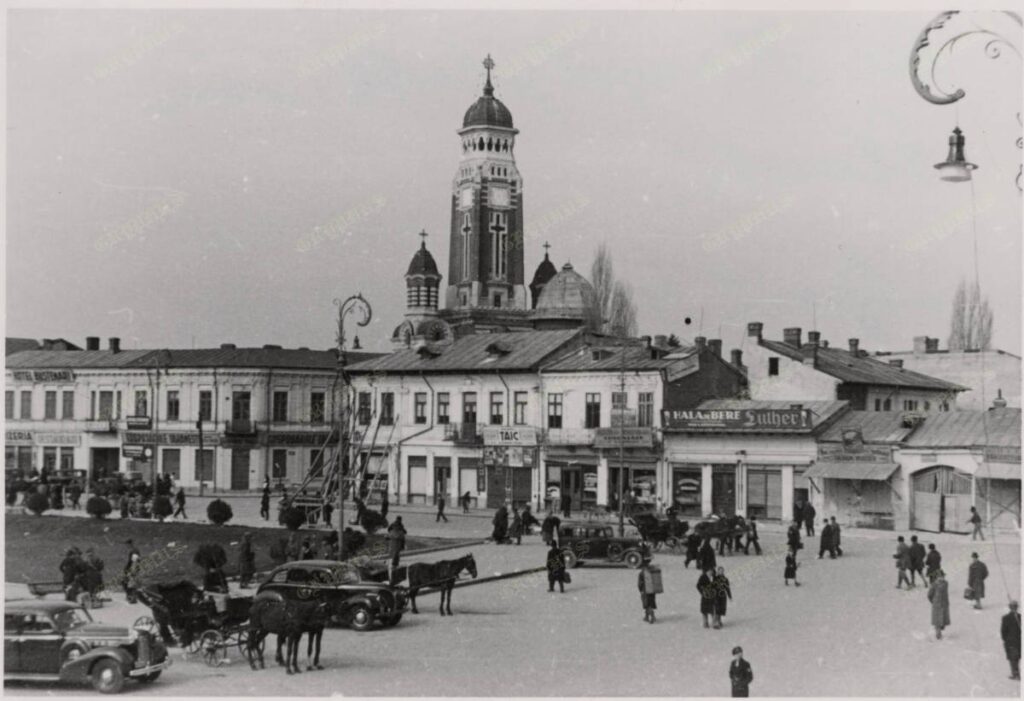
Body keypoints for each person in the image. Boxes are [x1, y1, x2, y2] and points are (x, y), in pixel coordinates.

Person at [1001, 601, 1021, 680]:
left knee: (1013, 658)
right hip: (1019, 641)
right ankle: (1016, 673)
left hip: (1011, 641)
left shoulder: (1006, 618)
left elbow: (1003, 631)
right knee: (1017, 657)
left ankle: (1015, 673)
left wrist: (1005, 639)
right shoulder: (1020, 617)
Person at [927, 569, 950, 640]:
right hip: (937, 604)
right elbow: (929, 594)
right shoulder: (934, 585)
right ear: (937, 577)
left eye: (942, 576)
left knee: (942, 619)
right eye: (940, 576)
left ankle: (940, 629)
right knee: (937, 620)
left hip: (944, 603)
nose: (941, 578)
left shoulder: (945, 583)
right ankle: (938, 633)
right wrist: (933, 601)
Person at [638, 558, 658, 623]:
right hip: (652, 590)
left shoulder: (642, 573)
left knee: (646, 604)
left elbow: (640, 583)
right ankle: (646, 617)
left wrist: (640, 590)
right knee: (650, 603)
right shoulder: (653, 570)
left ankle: (652, 617)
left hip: (645, 590)